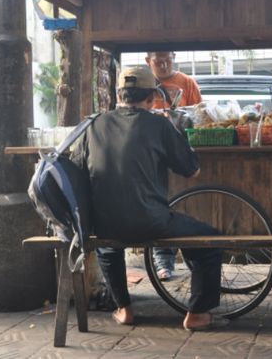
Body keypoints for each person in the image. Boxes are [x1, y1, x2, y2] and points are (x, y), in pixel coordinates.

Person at [71, 66, 227, 331]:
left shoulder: (93, 124)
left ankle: (124, 308)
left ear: (118, 95)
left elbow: (76, 171)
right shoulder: (158, 124)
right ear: (152, 97)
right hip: (151, 221)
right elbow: (192, 170)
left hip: (104, 224)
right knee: (210, 241)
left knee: (108, 247)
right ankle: (198, 313)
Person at [145, 51, 202, 280]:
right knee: (160, 204)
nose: (164, 64)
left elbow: (200, 116)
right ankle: (164, 263)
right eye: (158, 61)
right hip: (152, 154)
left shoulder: (187, 83)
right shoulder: (144, 84)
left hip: (179, 150)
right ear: (148, 61)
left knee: (185, 207)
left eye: (167, 59)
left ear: (174, 56)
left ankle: (191, 258)